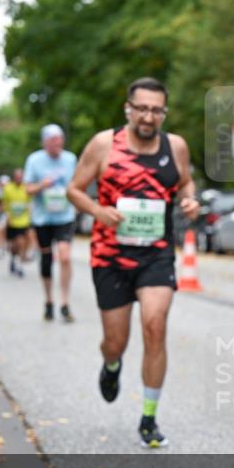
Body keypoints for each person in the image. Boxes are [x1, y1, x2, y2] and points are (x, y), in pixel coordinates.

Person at [67, 77, 199, 448]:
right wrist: (98, 210)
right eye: (141, 108)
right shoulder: (104, 144)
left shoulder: (175, 147)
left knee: (155, 325)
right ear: (128, 108)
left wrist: (190, 200)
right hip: (110, 256)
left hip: (156, 254)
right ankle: (111, 366)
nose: (148, 116)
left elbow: (185, 183)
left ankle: (149, 418)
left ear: (163, 113)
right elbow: (74, 189)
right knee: (115, 341)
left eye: (156, 110)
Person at [25, 124, 78, 321]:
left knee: (65, 256)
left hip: (64, 216)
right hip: (42, 218)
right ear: (45, 142)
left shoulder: (70, 159)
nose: (57, 144)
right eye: (53, 141)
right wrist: (42, 185)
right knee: (46, 261)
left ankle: (65, 302)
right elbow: (27, 189)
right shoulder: (34, 160)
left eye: (60, 140)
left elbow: (77, 184)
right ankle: (49, 300)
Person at [1, 168, 32, 278]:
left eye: (21, 177)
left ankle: (19, 264)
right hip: (12, 221)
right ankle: (13, 258)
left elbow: (31, 202)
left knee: (21, 242)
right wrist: (6, 215)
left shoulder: (27, 188)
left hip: (24, 221)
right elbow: (3, 203)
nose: (19, 179)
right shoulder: (8, 188)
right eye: (17, 177)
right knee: (14, 245)